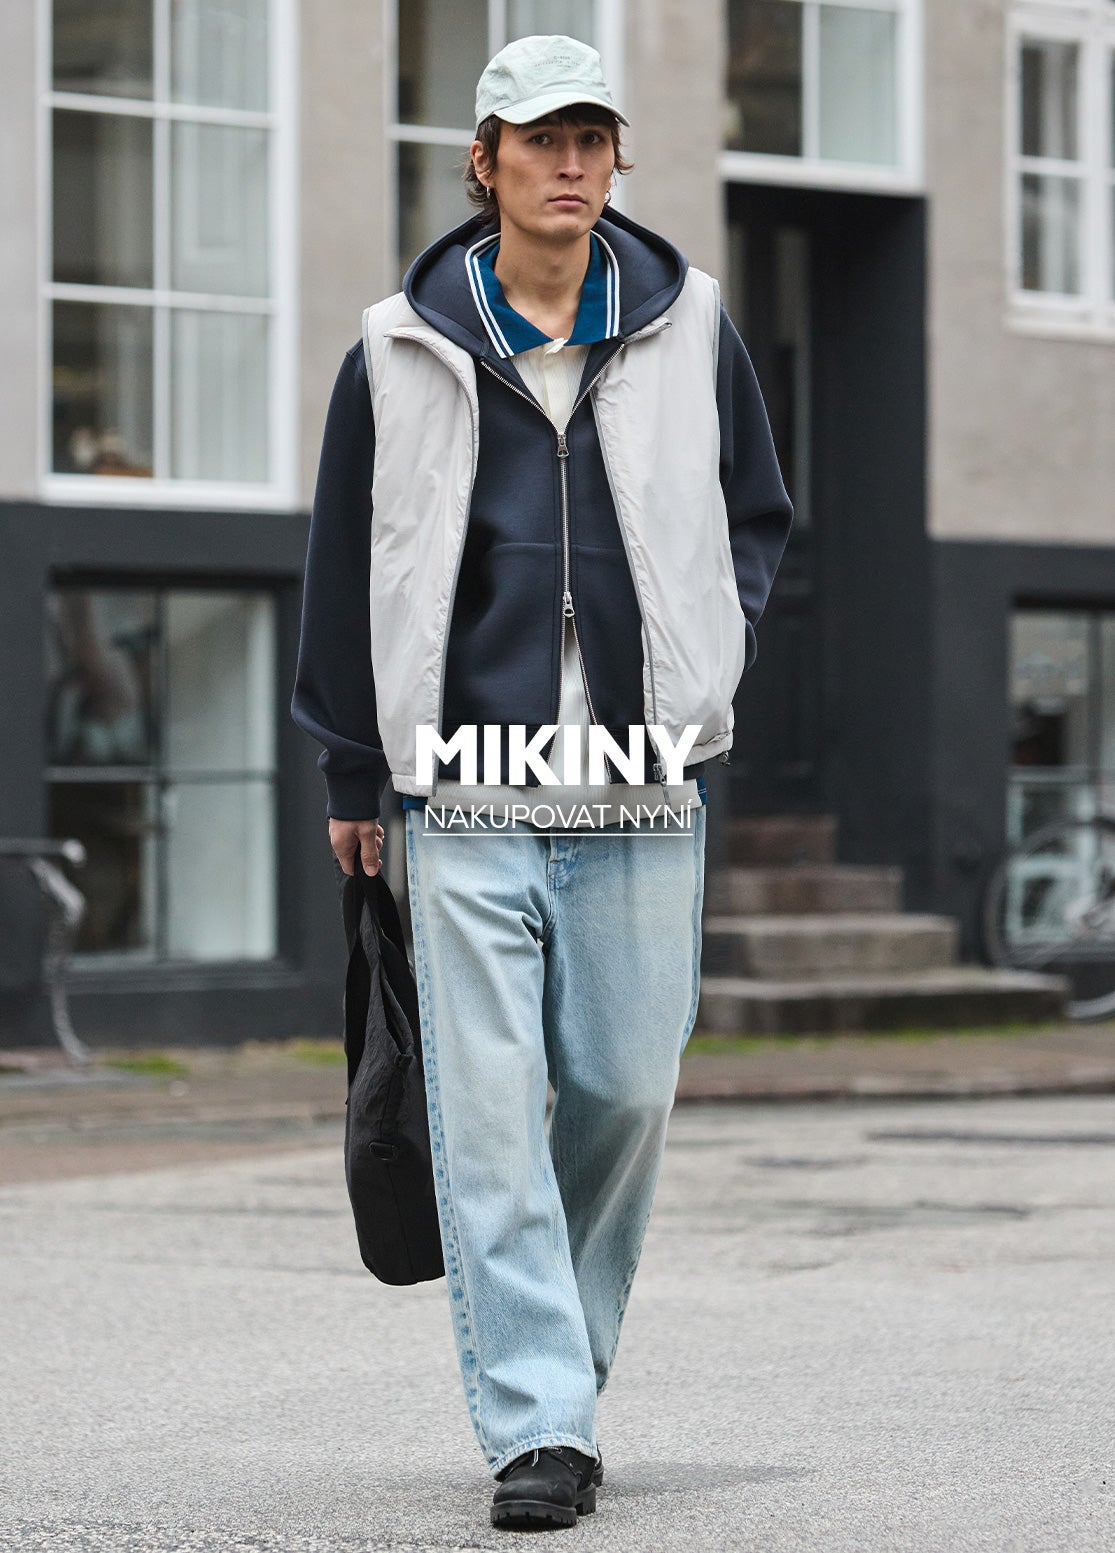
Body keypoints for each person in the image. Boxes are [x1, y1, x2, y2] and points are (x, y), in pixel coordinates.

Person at [293, 34, 792, 1532]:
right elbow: (344, 562)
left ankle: (558, 1360)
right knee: (490, 1116)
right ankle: (542, 1420)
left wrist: (709, 648)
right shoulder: (398, 347)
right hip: (463, 778)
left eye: (591, 138)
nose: (569, 163)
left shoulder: (691, 325)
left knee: (626, 1088)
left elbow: (754, 512)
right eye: (539, 139)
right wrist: (355, 765)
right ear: (486, 160)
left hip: (637, 773)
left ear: (617, 157)